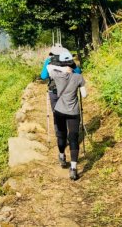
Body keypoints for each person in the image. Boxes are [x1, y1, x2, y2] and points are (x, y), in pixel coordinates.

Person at [41, 48, 86, 180]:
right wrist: (70, 68)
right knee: (73, 137)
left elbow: (44, 75)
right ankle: (73, 168)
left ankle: (61, 154)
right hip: (73, 109)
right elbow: (78, 73)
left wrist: (59, 67)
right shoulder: (77, 74)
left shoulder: (51, 65)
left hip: (56, 98)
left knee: (60, 129)